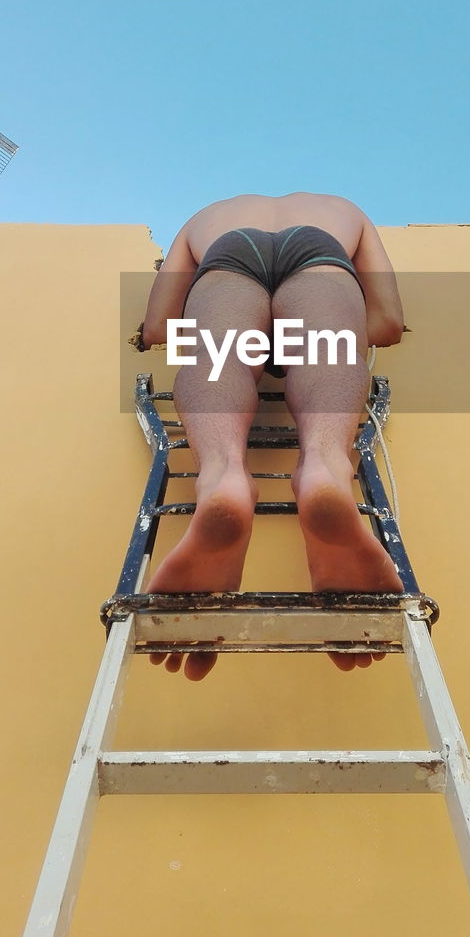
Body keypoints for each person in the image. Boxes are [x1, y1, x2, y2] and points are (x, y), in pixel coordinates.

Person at [137, 192, 407, 680]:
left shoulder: (204, 216)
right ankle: (325, 469)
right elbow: (386, 323)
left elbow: (158, 328)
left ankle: (221, 479)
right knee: (332, 348)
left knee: (213, 357)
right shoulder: (346, 211)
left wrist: (236, 343)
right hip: (321, 250)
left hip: (226, 252)